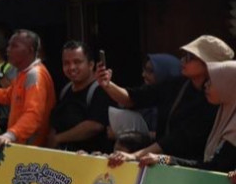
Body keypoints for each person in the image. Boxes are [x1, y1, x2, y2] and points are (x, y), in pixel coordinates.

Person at [98, 35, 230, 164]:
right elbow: (135, 98)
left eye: (190, 58)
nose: (183, 61)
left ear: (210, 66)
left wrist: (136, 156)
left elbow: (179, 144)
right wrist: (107, 85)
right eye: (184, 56)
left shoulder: (221, 107)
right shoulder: (177, 85)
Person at [111, 59, 236, 173]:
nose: (206, 85)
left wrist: (164, 160)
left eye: (212, 82)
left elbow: (214, 167)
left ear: (228, 87)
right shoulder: (224, 115)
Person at [0, 29, 57, 150]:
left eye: (14, 46)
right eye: (9, 45)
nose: (8, 50)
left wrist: (9, 135)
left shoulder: (34, 75)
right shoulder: (23, 73)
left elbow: (33, 114)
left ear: (30, 50)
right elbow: (7, 95)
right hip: (20, 147)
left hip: (32, 152)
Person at [48, 41, 113, 154]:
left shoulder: (102, 89)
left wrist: (58, 138)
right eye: (66, 63)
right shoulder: (65, 90)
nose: (71, 67)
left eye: (77, 62)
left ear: (91, 65)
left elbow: (95, 125)